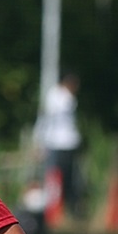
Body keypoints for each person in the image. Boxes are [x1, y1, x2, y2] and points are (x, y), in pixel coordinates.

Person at [35, 74, 82, 222]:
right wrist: (40, 141)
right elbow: (46, 119)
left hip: (68, 143)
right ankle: (53, 211)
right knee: (54, 177)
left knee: (68, 178)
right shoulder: (56, 97)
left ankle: (65, 210)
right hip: (55, 143)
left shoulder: (69, 98)